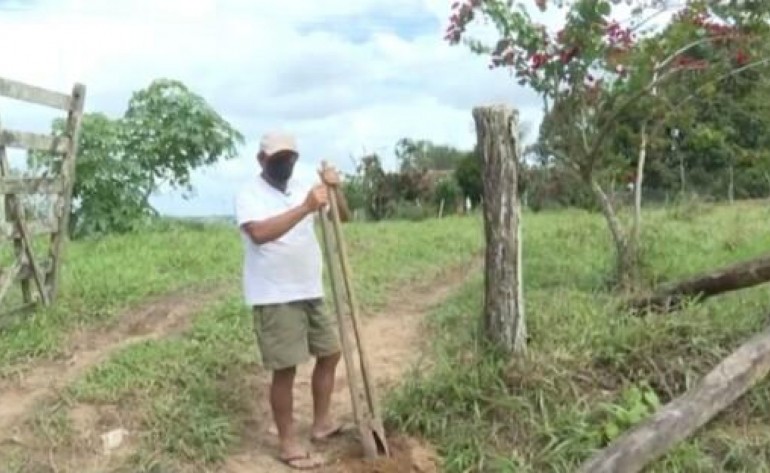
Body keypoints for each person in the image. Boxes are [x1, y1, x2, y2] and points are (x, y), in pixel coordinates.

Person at [234, 131, 351, 470]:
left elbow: (341, 218)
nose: (285, 163)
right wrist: (304, 208)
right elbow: (259, 234)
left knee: (330, 352)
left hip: (310, 289)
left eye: (290, 158)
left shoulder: (304, 187)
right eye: (278, 158)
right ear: (261, 160)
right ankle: (287, 442)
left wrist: (333, 190)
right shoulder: (249, 194)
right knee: (285, 368)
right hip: (274, 295)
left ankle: (321, 423)